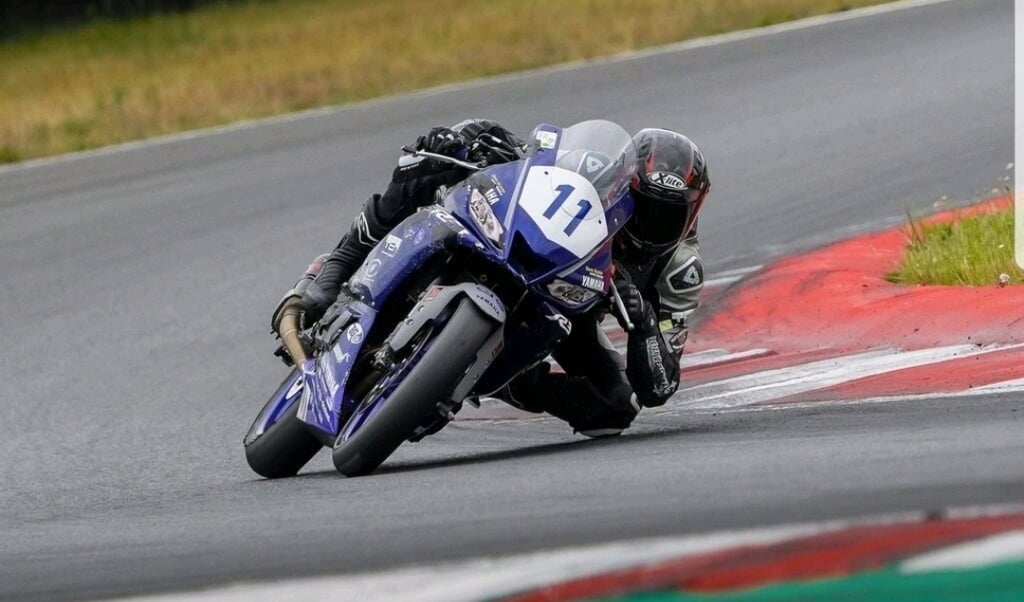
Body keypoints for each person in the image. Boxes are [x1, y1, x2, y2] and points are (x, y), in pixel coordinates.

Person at [271, 119, 710, 437]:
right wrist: (468, 139)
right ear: (626, 183)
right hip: (528, 243)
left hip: (573, 304)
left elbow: (659, 385)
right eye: (643, 204)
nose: (650, 223)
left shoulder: (679, 272)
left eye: (666, 215)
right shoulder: (599, 169)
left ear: (691, 212)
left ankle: (513, 380)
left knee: (617, 405)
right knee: (428, 170)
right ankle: (328, 279)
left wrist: (645, 323)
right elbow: (537, 159)